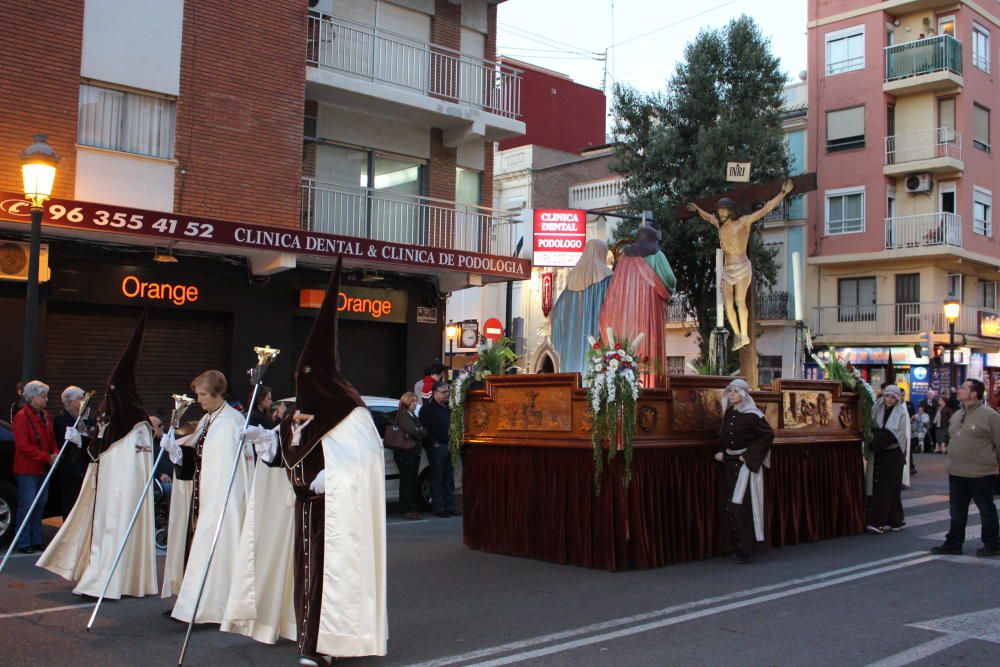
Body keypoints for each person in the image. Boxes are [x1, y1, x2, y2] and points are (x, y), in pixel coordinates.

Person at [246, 259, 387, 665]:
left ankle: (325, 645)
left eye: (309, 378)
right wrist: (266, 445)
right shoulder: (299, 413)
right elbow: (288, 455)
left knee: (329, 578)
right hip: (303, 510)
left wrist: (337, 476)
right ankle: (307, 639)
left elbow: (366, 461)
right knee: (304, 578)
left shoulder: (351, 413)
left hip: (335, 514)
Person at [39, 310, 158, 599]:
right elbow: (98, 451)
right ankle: (97, 573)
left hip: (121, 494)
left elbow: (134, 460)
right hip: (104, 487)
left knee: (114, 531)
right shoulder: (112, 417)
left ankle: (111, 580)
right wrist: (81, 440)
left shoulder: (138, 424)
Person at [160, 369, 252, 624]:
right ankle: (193, 604)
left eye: (202, 395)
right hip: (204, 498)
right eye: (197, 395)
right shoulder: (209, 419)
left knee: (215, 552)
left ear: (217, 393)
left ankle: (211, 607)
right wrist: (176, 450)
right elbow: (197, 455)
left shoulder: (231, 421)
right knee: (197, 550)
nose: (198, 400)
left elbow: (226, 467)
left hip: (221, 499)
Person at [687, 179, 794, 351]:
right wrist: (698, 209)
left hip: (742, 267)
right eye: (720, 210)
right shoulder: (720, 226)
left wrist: (783, 193)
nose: (721, 213)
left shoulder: (743, 222)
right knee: (728, 304)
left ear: (730, 210)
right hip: (727, 270)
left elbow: (766, 209)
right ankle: (738, 335)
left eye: (724, 210)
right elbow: (708, 217)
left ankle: (744, 334)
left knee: (739, 301)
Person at [598, 224, 675, 386]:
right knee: (648, 341)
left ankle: (627, 378)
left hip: (626, 313)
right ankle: (650, 384)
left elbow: (615, 289)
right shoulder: (657, 255)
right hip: (649, 308)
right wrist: (670, 290)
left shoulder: (625, 259)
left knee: (630, 342)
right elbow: (669, 279)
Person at [930, 379, 1000, 557]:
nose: (958, 390)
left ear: (974, 394)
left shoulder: (990, 415)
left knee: (985, 509)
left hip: (981, 472)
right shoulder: (957, 414)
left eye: (963, 388)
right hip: (957, 471)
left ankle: (992, 543)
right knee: (957, 511)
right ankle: (954, 542)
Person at [714, 379, 774, 564]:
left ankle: (748, 548)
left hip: (746, 466)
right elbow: (726, 436)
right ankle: (735, 544)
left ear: (743, 394)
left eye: (735, 391)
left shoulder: (752, 415)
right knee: (731, 504)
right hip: (730, 464)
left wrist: (748, 456)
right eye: (729, 391)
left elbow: (767, 435)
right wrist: (721, 452)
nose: (732, 394)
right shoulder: (730, 413)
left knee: (743, 505)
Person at [550, 239, 614, 374]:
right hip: (596, 341)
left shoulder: (571, 281)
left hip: (570, 345)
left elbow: (556, 314)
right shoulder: (608, 278)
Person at [11, 380, 58, 554]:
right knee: (28, 504)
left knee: (40, 504)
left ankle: (36, 539)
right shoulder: (22, 417)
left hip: (43, 467)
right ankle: (23, 541)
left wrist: (54, 452)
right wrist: (47, 457)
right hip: (28, 469)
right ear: (32, 397)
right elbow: (23, 446)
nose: (46, 399)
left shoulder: (45, 415)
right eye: (42, 395)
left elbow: (51, 438)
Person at [865, 385, 910, 534]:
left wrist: (874, 440)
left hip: (893, 453)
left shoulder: (901, 413)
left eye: (892, 397)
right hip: (881, 452)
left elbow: (893, 434)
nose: (889, 400)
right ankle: (895, 520)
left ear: (897, 399)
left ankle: (878, 522)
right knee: (889, 487)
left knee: (886, 487)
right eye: (887, 396)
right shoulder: (877, 408)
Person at [420, 380, 460, 518]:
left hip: (448, 445)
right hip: (437, 447)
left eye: (448, 392)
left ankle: (450, 506)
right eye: (443, 392)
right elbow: (424, 429)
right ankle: (439, 508)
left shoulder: (447, 408)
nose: (446, 395)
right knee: (437, 478)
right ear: (435, 393)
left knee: (449, 478)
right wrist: (433, 443)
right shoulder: (427, 409)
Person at [53, 386, 91, 520]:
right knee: (70, 502)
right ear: (70, 402)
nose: (83, 402)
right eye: (80, 399)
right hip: (70, 468)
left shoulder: (83, 418)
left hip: (84, 466)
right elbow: (67, 443)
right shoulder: (61, 419)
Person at [394, 392, 427, 520]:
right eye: (413, 401)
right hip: (405, 453)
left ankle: (412, 508)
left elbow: (423, 430)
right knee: (406, 482)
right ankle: (405, 509)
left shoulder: (412, 415)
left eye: (416, 401)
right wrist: (419, 431)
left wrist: (419, 431)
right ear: (407, 402)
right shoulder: (403, 415)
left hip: (414, 452)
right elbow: (413, 430)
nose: (415, 404)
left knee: (413, 481)